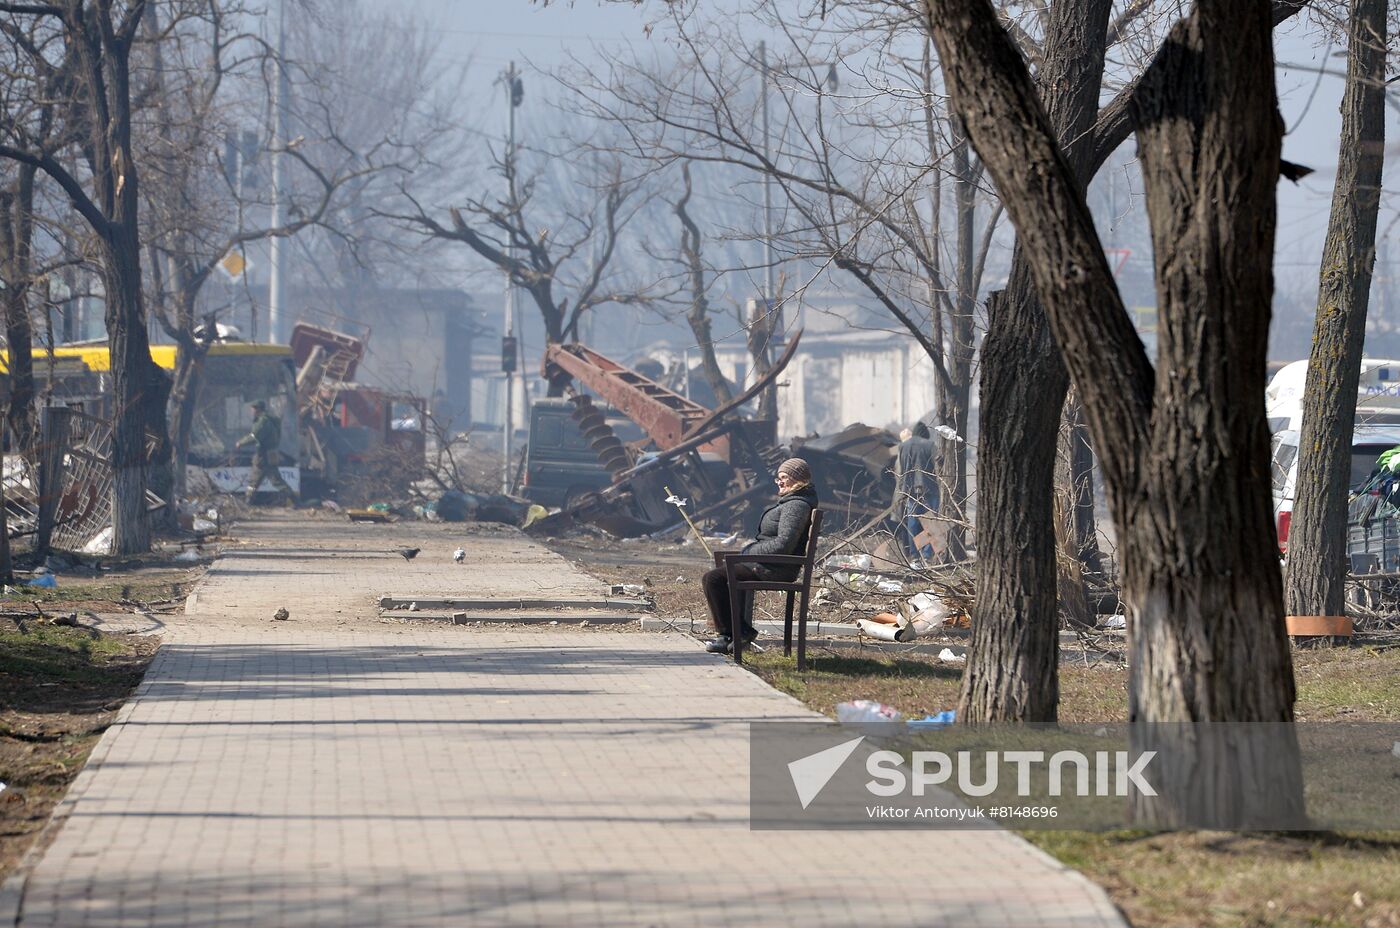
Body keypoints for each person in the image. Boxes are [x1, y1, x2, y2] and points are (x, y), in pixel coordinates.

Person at [702, 458, 820, 654]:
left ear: (798, 480)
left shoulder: (796, 505)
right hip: (770, 564)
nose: (780, 482)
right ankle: (730, 635)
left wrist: (747, 552)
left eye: (784, 478)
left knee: (713, 579)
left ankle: (739, 632)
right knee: (723, 576)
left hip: (776, 568)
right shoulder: (793, 501)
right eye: (778, 479)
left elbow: (783, 545)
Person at [235, 399, 295, 505]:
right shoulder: (268, 420)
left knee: (255, 480)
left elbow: (254, 436)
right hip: (270, 456)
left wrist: (240, 443)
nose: (251, 411)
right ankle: (294, 499)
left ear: (258, 409)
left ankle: (247, 502)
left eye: (253, 409)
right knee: (274, 480)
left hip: (263, 456)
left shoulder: (263, 421)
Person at [895, 421, 938, 564]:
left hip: (910, 491)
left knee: (913, 524)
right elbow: (939, 466)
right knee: (930, 522)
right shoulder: (930, 445)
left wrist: (902, 491)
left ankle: (914, 556)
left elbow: (900, 470)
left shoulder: (903, 446)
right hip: (930, 489)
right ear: (925, 434)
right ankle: (927, 555)